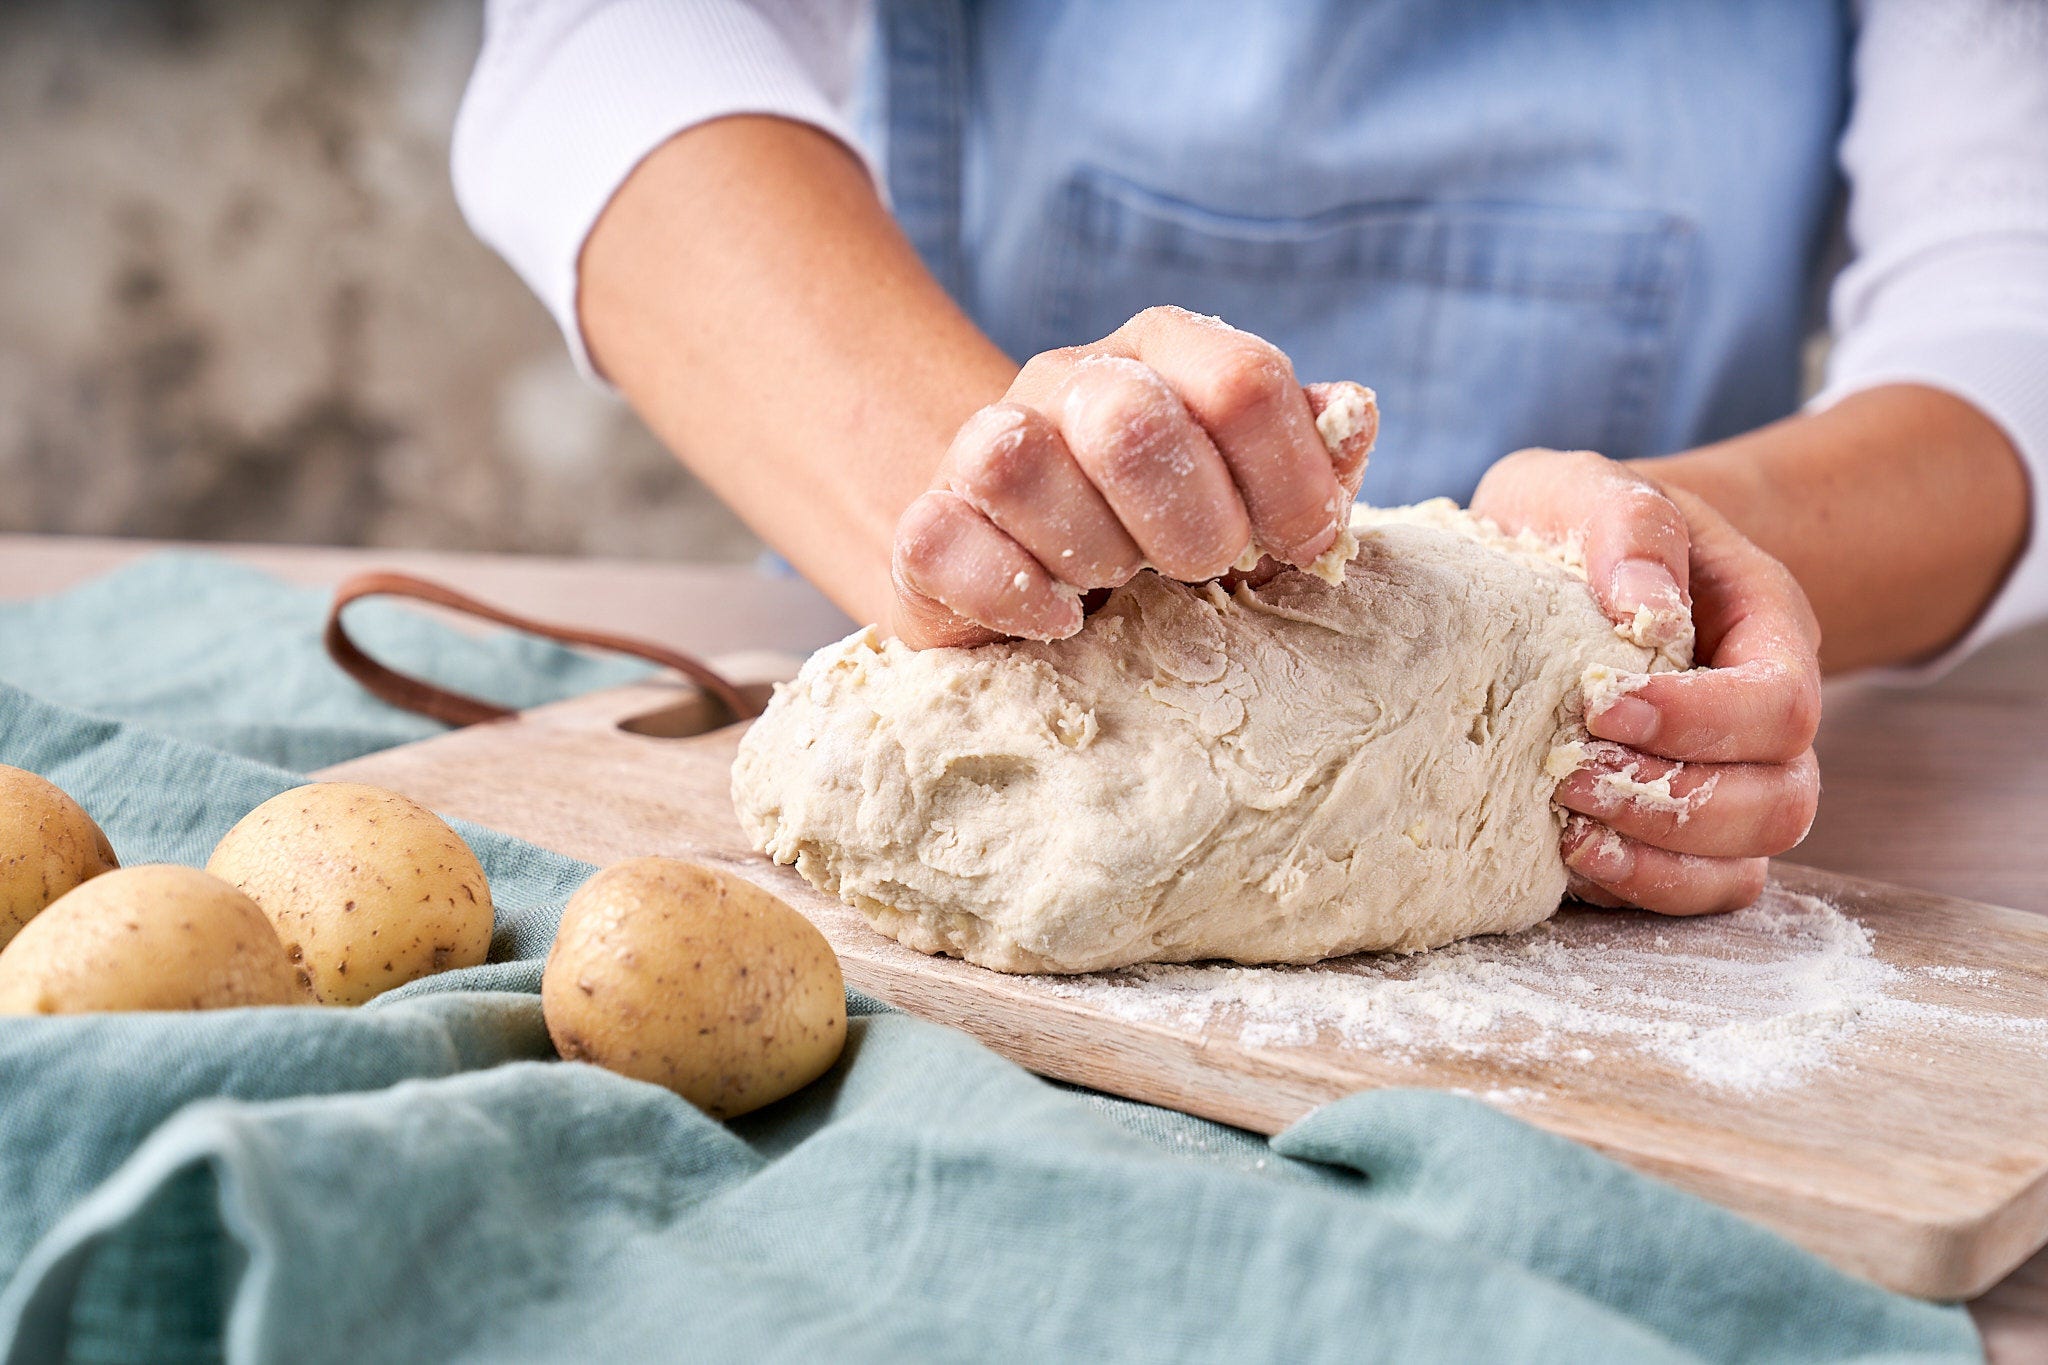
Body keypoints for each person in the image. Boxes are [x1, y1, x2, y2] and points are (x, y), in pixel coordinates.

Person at [450, 1, 2047, 918]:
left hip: (1596, 752)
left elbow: (2011, 293)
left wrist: (1667, 570)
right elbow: (616, 39)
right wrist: (976, 489)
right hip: (969, 668)